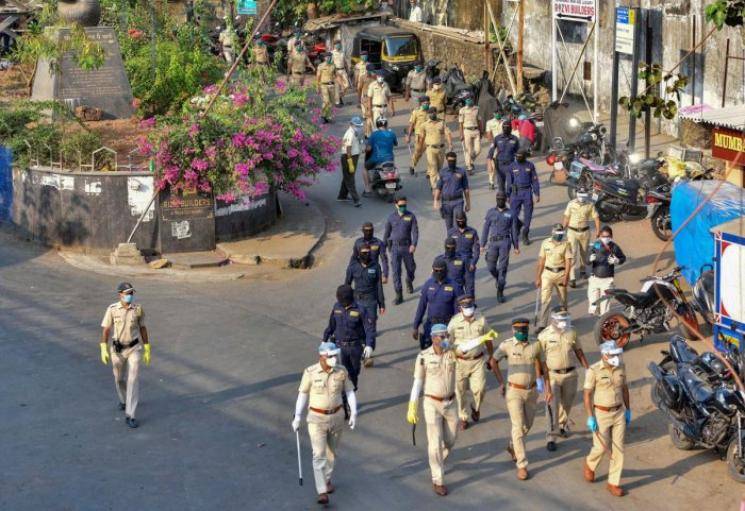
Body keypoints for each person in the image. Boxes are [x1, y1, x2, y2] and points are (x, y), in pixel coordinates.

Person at [292, 342, 357, 505]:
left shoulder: (341, 371)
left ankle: (326, 479)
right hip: (316, 419)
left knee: (331, 453)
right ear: (322, 356)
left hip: (337, 416)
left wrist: (354, 412)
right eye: (331, 356)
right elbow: (302, 394)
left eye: (335, 355)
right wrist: (297, 416)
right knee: (319, 454)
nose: (334, 358)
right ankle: (321, 491)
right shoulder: (310, 372)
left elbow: (349, 391)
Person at [493, 318, 552, 480]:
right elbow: (493, 360)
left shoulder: (536, 344)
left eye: (525, 331)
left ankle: (513, 445)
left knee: (527, 425)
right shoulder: (507, 345)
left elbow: (544, 366)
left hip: (532, 391)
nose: (522, 334)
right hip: (514, 391)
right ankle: (522, 464)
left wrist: (547, 387)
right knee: (518, 427)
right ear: (513, 331)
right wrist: (500, 382)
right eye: (519, 331)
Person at [406, 323, 457, 496]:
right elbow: (418, 383)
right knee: (435, 443)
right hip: (431, 403)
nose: (445, 339)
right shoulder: (423, 357)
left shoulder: (452, 352)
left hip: (451, 403)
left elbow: (466, 348)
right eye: (441, 336)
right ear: (433, 338)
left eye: (446, 336)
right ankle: (438, 479)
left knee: (450, 440)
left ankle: (437, 462)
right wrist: (412, 407)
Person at [99, 282, 151, 429]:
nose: (130, 296)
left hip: (134, 348)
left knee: (133, 379)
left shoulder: (138, 309)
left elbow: (143, 328)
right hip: (117, 350)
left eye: (131, 293)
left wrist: (147, 347)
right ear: (120, 294)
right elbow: (106, 329)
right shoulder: (112, 309)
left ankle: (130, 414)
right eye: (127, 293)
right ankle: (123, 400)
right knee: (119, 378)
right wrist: (103, 346)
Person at [538, 307, 589, 451]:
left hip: (571, 374)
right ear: (553, 320)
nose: (564, 323)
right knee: (551, 406)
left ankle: (561, 424)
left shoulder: (572, 332)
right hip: (552, 375)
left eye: (566, 320)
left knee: (568, 403)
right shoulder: (544, 336)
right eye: (561, 320)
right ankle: (551, 436)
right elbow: (539, 359)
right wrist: (540, 378)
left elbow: (578, 351)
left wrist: (587, 368)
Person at [583, 340, 631, 498]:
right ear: (604, 355)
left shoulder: (621, 367)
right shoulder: (593, 370)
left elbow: (624, 389)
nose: (616, 357)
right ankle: (590, 464)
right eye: (613, 355)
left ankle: (613, 482)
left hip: (618, 413)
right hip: (601, 414)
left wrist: (628, 409)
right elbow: (587, 395)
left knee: (619, 448)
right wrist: (591, 417)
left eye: (617, 354)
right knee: (601, 447)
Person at [448, 295, 497, 430]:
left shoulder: (481, 320)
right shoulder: (454, 322)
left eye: (470, 307)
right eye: (466, 307)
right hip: (460, 362)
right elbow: (448, 342)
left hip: (477, 361)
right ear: (460, 309)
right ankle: (463, 416)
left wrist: (491, 356)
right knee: (460, 392)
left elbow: (488, 339)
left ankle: (476, 408)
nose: (469, 310)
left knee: (480, 389)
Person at [322, 285, 374, 391]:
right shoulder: (336, 307)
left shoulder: (360, 309)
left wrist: (369, 345)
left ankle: (353, 387)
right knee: (341, 372)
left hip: (355, 347)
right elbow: (331, 325)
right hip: (340, 346)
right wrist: (324, 340)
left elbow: (369, 329)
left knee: (354, 371)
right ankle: (345, 396)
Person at [345, 244, 385, 367]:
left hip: (371, 302)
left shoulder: (375, 266)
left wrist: (381, 304)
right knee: (358, 327)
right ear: (358, 253)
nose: (366, 254)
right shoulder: (353, 267)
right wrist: (346, 303)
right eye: (363, 252)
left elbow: (379, 286)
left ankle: (367, 354)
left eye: (368, 252)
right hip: (357, 301)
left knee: (371, 327)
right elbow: (347, 284)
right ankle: (363, 348)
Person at [481, 191, 520, 303]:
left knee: (502, 268)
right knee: (490, 266)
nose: (500, 201)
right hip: (492, 243)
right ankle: (498, 279)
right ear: (496, 200)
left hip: (505, 242)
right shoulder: (490, 213)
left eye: (502, 199)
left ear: (505, 200)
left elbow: (513, 231)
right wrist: (482, 245)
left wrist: (516, 246)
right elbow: (485, 229)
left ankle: (500, 291)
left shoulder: (511, 213)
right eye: (498, 199)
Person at [412, 259, 458, 350]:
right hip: (432, 324)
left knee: (448, 350)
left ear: (446, 270)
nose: (439, 273)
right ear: (433, 270)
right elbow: (421, 306)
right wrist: (415, 326)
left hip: (448, 324)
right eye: (436, 270)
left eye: (441, 270)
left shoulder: (454, 285)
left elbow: (458, 308)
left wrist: (457, 326)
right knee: (428, 350)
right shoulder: (428, 284)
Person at [535, 224, 573, 331]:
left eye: (561, 232)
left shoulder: (566, 244)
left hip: (560, 274)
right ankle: (542, 324)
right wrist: (538, 277)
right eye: (558, 232)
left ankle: (564, 320)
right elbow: (541, 261)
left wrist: (566, 277)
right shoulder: (545, 243)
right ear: (553, 233)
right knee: (545, 299)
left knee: (563, 299)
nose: (559, 234)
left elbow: (568, 262)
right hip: (547, 274)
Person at [563, 185, 601, 287]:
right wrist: (562, 229)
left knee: (584, 254)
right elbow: (566, 217)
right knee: (573, 254)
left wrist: (598, 231)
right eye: (581, 194)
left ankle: (583, 269)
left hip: (585, 232)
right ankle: (572, 278)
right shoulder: (571, 204)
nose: (582, 196)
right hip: (572, 232)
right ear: (577, 194)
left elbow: (596, 218)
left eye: (584, 194)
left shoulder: (590, 205)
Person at [383, 196, 419, 305]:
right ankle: (399, 294)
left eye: (404, 205)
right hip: (394, 247)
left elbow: (415, 232)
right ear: (396, 205)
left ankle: (409, 280)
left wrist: (414, 244)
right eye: (401, 205)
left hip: (407, 247)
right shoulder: (391, 218)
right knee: (396, 272)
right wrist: (384, 248)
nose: (403, 207)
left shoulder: (411, 216)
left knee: (411, 268)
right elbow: (386, 233)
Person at [588, 226, 626, 316]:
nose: (605, 238)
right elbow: (587, 258)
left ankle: (603, 321)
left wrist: (617, 260)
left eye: (607, 236)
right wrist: (589, 259)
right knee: (593, 302)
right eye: (603, 236)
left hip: (607, 280)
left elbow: (623, 258)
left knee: (604, 305)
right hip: (594, 279)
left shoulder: (614, 247)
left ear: (611, 236)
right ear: (600, 236)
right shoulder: (597, 245)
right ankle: (596, 315)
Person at [505, 149, 540, 246]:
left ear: (524, 156)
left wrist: (537, 193)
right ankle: (518, 225)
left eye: (520, 156)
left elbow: (535, 180)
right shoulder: (511, 167)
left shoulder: (530, 165)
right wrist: (508, 194)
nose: (518, 157)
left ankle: (525, 234)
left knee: (528, 214)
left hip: (527, 192)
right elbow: (509, 182)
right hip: (515, 193)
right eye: (517, 156)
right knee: (513, 215)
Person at [433, 152, 471, 232]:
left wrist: (468, 203)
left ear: (456, 161)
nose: (452, 162)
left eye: (453, 161)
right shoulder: (442, 172)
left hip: (458, 202)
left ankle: (458, 243)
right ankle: (451, 243)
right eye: (450, 161)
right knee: (449, 227)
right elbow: (438, 187)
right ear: (447, 161)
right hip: (446, 203)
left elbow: (466, 189)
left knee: (457, 225)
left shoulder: (461, 171)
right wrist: (436, 200)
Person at [448, 211, 479, 297]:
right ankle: (459, 307)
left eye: (462, 220)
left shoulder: (473, 232)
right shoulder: (451, 232)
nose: (460, 222)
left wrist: (473, 263)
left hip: (468, 262)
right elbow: (448, 249)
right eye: (458, 221)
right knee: (457, 287)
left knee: (470, 287)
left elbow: (477, 249)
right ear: (456, 221)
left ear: (465, 219)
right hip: (456, 262)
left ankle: (470, 307)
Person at [420, 111, 454, 191]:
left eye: (433, 112)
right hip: (430, 149)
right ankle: (435, 186)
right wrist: (420, 149)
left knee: (439, 168)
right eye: (430, 113)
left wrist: (450, 144)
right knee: (433, 167)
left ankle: (438, 183)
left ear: (436, 113)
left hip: (441, 149)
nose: (432, 114)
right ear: (429, 114)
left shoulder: (442, 123)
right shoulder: (424, 124)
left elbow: (448, 133)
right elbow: (421, 137)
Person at [338, 116, 364, 207]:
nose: (358, 127)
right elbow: (348, 147)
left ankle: (342, 196)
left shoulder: (354, 132)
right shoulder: (350, 133)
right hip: (349, 157)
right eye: (357, 125)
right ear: (351, 124)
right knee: (350, 178)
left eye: (359, 125)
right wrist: (349, 161)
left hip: (353, 156)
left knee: (347, 176)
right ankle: (356, 199)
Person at [488, 121, 519, 192]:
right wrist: (489, 164)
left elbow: (518, 153)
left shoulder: (515, 139)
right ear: (502, 128)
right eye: (504, 127)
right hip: (499, 165)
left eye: (508, 127)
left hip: (510, 165)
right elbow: (490, 152)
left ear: (511, 128)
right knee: (501, 188)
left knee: (510, 186)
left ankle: (510, 200)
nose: (506, 129)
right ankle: (503, 201)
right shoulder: (497, 138)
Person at [406, 95, 430, 176]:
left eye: (427, 103)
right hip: (419, 136)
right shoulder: (416, 112)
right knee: (418, 153)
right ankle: (412, 165)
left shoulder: (431, 111)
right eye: (424, 103)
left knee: (430, 153)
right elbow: (411, 124)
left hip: (429, 135)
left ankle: (430, 171)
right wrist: (408, 136)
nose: (426, 104)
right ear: (421, 104)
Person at [458, 97, 482, 174]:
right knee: (468, 150)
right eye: (468, 99)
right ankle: (469, 167)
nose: (469, 100)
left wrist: (481, 131)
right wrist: (461, 134)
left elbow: (479, 120)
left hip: (476, 130)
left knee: (478, 150)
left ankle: (470, 161)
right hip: (467, 131)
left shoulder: (477, 108)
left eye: (470, 99)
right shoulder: (462, 110)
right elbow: (460, 123)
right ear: (465, 101)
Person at [316, 53, 336, 123]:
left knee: (331, 103)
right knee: (326, 101)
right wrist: (317, 86)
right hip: (323, 85)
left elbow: (335, 75)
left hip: (332, 86)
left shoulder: (333, 65)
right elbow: (318, 77)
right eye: (327, 57)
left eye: (330, 57)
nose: (329, 58)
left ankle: (327, 116)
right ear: (324, 58)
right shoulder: (321, 66)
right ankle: (322, 115)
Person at [359, 63, 377, 137]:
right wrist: (359, 99)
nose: (373, 72)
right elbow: (359, 88)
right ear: (367, 71)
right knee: (369, 116)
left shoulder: (375, 77)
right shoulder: (363, 77)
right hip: (366, 98)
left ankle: (367, 132)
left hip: (373, 98)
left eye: (373, 70)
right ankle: (369, 133)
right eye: (371, 71)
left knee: (370, 116)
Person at [331, 41, 350, 106]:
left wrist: (348, 70)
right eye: (336, 45)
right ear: (334, 45)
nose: (338, 46)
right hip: (336, 71)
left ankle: (340, 97)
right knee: (337, 87)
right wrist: (333, 72)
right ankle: (337, 102)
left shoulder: (342, 52)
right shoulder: (332, 53)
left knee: (346, 86)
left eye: (339, 44)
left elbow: (345, 62)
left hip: (343, 71)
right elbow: (330, 64)